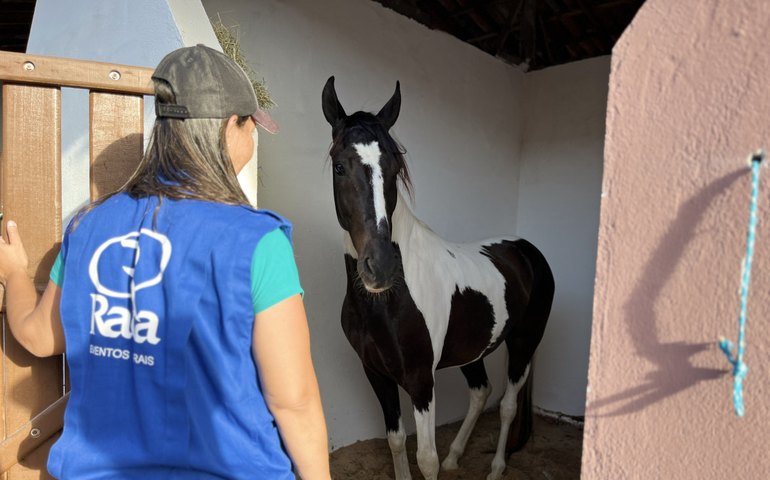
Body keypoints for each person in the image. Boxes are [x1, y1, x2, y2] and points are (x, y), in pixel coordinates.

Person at [0, 44, 330, 480]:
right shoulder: (257, 241)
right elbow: (293, 401)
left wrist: (12, 274)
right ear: (230, 125)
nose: (252, 138)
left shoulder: (88, 227)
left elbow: (40, 336)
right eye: (251, 126)